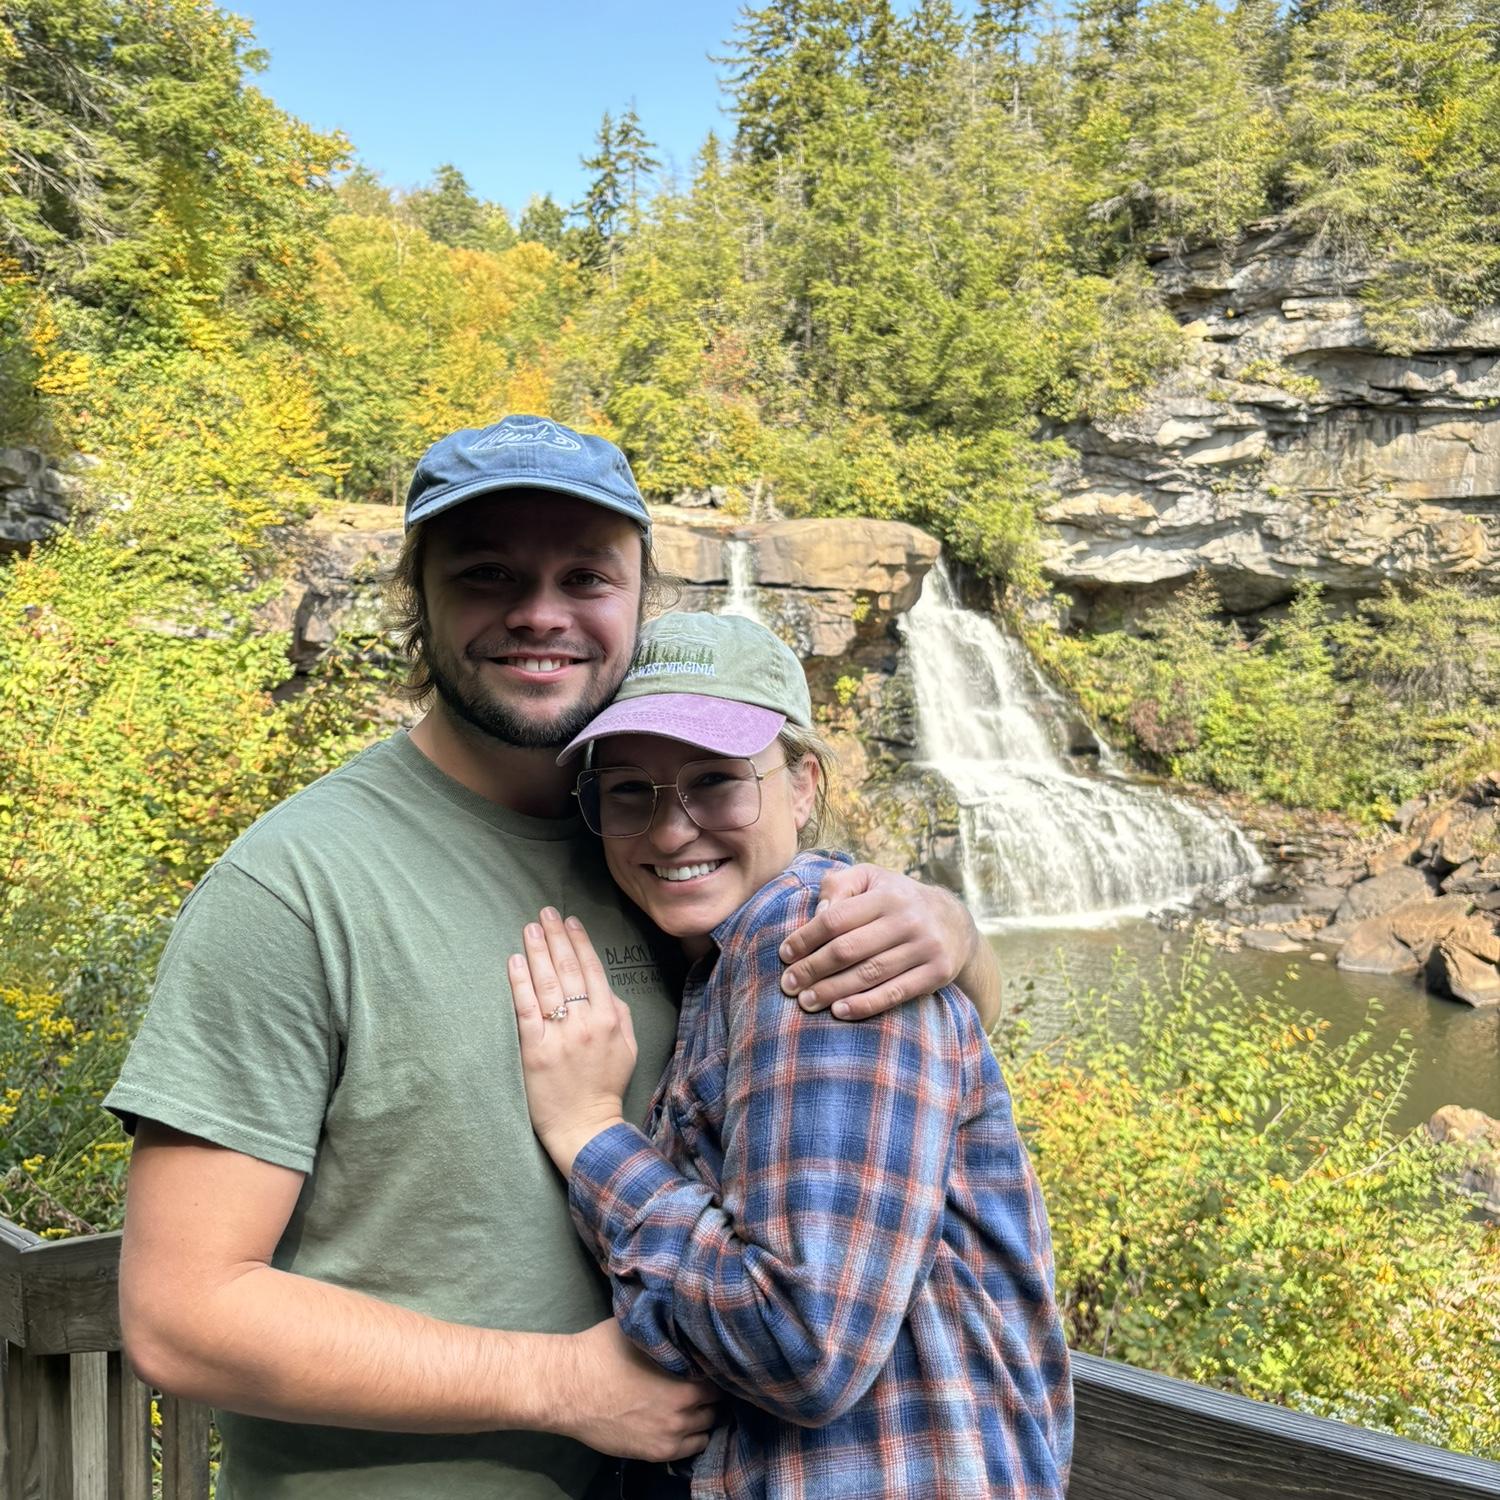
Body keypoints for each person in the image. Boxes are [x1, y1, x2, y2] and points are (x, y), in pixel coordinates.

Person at [105, 415, 1005, 1499]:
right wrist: (558, 1386)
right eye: (488, 574)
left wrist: (955, 936)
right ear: (417, 600)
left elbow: (891, 1074)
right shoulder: (296, 887)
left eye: (585, 575)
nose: (541, 613)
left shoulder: (660, 853)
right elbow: (181, 1318)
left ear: (636, 601)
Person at [509, 611, 1073, 1499]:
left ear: (804, 785)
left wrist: (589, 1135)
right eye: (629, 791)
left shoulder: (809, 940)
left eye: (716, 782)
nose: (669, 832)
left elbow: (804, 1344)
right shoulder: (716, 957)